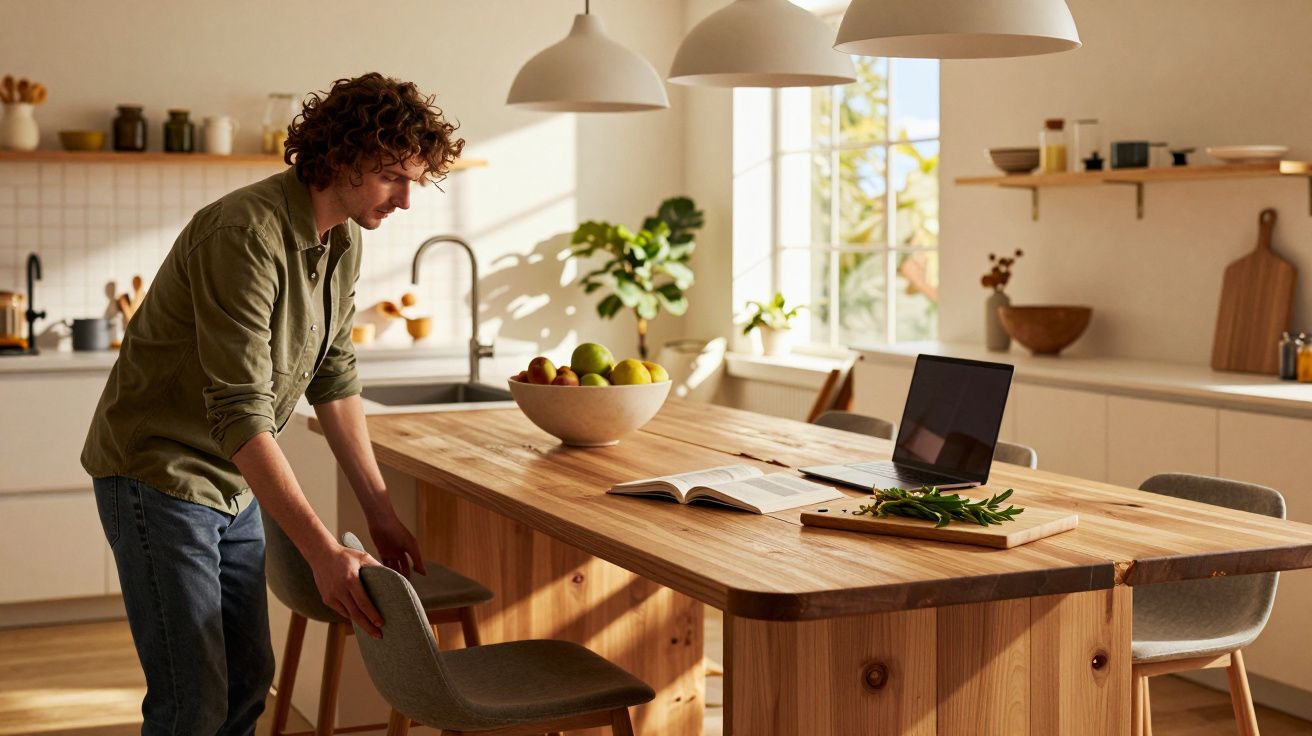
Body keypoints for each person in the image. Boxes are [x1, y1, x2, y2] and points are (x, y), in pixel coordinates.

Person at [80, 72, 465, 735]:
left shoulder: (342, 239)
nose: (406, 199)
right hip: (159, 475)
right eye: (391, 178)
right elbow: (240, 410)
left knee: (248, 680)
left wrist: (380, 513)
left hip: (232, 480)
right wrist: (323, 553)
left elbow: (335, 377)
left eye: (415, 181)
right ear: (341, 159)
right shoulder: (244, 234)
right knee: (192, 700)